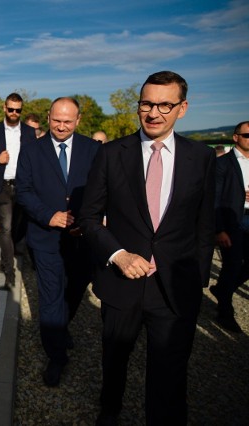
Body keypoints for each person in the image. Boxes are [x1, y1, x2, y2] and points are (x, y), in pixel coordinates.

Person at [78, 71, 216, 425]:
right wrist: (118, 255)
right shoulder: (111, 154)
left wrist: (197, 280)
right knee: (115, 361)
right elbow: (89, 218)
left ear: (182, 108)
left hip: (175, 289)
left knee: (169, 377)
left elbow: (204, 224)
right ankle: (109, 410)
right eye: (146, 104)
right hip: (122, 285)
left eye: (165, 105)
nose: (154, 112)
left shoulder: (201, 156)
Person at [16, 97, 100, 387]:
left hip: (82, 237)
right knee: (51, 296)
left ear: (78, 121)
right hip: (45, 237)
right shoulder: (31, 151)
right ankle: (56, 356)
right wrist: (48, 215)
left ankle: (62, 327)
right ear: (49, 117)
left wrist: (85, 221)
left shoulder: (93, 149)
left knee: (75, 290)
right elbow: (23, 191)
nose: (61, 126)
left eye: (67, 121)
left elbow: (103, 190)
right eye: (56, 120)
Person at [0, 93, 37, 288]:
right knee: (5, 229)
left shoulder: (30, 133)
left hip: (22, 187)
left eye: (18, 110)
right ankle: (9, 271)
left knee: (15, 228)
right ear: (4, 108)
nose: (14, 113)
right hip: (1, 187)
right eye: (11, 109)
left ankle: (2, 261)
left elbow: (35, 161)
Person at [209, 121, 249, 333]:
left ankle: (223, 289)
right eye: (247, 135)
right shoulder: (223, 164)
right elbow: (214, 198)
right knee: (232, 264)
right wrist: (219, 229)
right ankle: (225, 312)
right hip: (232, 221)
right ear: (236, 138)